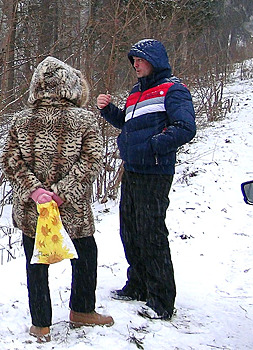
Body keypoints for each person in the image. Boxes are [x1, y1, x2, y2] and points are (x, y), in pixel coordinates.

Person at [2, 56, 114, 343]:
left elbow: (11, 160)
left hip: (33, 209)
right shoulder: (85, 119)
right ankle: (82, 309)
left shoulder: (20, 119)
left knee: (36, 262)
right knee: (85, 256)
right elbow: (92, 161)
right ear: (71, 85)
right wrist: (61, 192)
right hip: (72, 208)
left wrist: (37, 192)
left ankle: (41, 324)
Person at [97, 39, 196, 320]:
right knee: (130, 230)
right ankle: (138, 285)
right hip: (132, 170)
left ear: (154, 60)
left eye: (140, 59)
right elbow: (130, 126)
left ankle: (162, 300)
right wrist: (109, 111)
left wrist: (154, 146)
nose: (136, 65)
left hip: (155, 172)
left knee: (151, 234)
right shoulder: (135, 93)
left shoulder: (173, 90)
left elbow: (186, 127)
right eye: (133, 61)